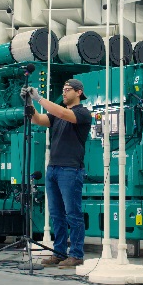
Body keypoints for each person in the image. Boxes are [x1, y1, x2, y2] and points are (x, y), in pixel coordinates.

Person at [21, 79, 92, 269]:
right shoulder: (58, 115)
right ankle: (59, 252)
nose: (64, 92)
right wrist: (29, 103)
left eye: (68, 89)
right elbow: (38, 120)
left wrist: (40, 98)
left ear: (79, 92)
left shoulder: (82, 113)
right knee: (56, 214)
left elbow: (61, 112)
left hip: (70, 169)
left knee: (73, 214)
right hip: (53, 168)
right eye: (63, 89)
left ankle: (76, 254)